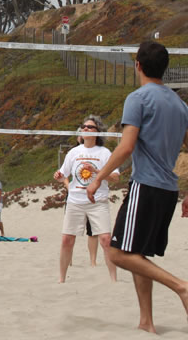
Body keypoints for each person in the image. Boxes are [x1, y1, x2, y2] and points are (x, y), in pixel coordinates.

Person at [86, 41, 188, 333]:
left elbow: (126, 147)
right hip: (169, 191)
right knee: (137, 253)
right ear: (165, 69)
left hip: (146, 185)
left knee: (116, 253)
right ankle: (146, 322)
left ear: (137, 65)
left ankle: (182, 287)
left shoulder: (138, 98)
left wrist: (99, 177)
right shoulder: (180, 104)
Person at [54, 116, 119, 283]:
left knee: (105, 240)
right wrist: (59, 176)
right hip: (75, 201)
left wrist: (96, 171)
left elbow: (115, 178)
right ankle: (62, 278)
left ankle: (114, 279)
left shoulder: (104, 153)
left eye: (90, 127)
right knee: (67, 240)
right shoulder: (73, 152)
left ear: (97, 132)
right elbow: (63, 175)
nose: (86, 129)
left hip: (97, 202)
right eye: (84, 126)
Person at [61, 129, 99, 267]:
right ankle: (69, 260)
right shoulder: (73, 153)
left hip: (92, 196)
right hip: (75, 197)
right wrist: (69, 187)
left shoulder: (97, 152)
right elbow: (63, 174)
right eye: (80, 134)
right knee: (71, 231)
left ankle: (93, 261)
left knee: (93, 230)